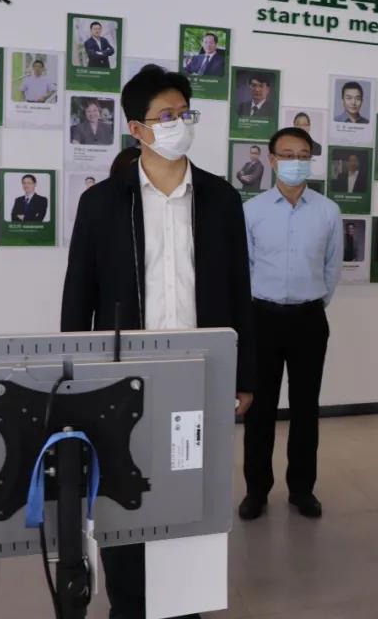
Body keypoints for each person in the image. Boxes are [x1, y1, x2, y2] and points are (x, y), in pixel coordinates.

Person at [62, 64, 255, 619]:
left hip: (199, 378)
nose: (178, 124)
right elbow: (78, 299)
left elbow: (240, 292)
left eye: (184, 113)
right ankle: (129, 607)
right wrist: (74, 382)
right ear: (137, 129)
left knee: (191, 499)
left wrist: (244, 375)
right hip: (120, 380)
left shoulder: (221, 199)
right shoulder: (102, 203)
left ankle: (184, 606)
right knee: (124, 500)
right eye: (165, 115)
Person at [240, 126, 342, 522]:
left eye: (303, 155)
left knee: (305, 408)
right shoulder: (252, 211)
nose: (296, 162)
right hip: (261, 319)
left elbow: (332, 267)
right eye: (287, 155)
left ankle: (302, 489)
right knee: (259, 410)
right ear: (271, 160)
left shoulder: (327, 211)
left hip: (308, 319)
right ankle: (256, 490)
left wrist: (311, 301)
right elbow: (246, 267)